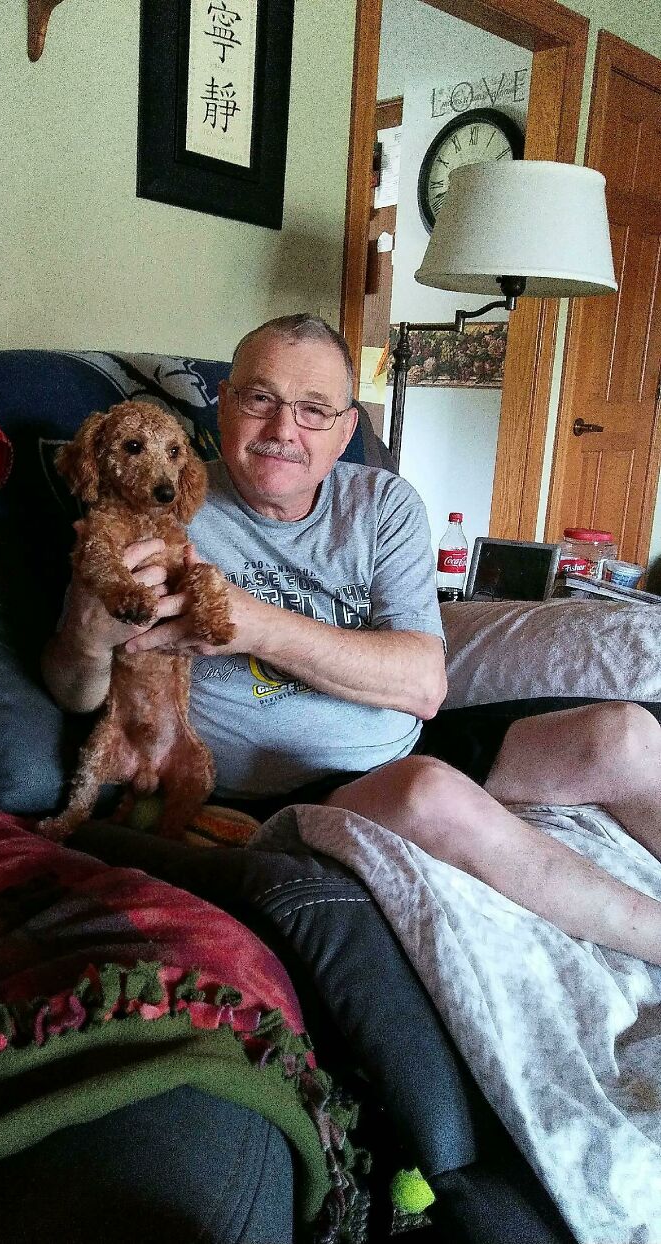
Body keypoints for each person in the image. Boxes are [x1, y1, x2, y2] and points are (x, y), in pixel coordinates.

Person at [43, 314, 661, 965]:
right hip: (282, 790)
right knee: (431, 795)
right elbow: (76, 694)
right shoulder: (159, 501)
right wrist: (85, 638)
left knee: (625, 733)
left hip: (410, 739)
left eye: (314, 411)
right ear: (224, 406)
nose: (283, 430)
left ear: (345, 431)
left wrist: (252, 623)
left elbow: (424, 686)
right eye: (261, 400)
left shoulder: (383, 504)